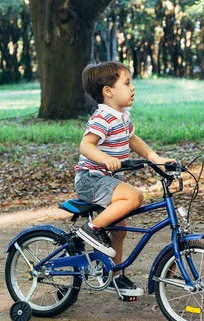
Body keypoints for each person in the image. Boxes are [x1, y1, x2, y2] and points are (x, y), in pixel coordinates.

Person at [75, 61, 173, 296]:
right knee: (134, 196)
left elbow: (133, 140)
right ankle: (91, 229)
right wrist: (103, 158)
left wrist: (156, 159)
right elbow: (86, 145)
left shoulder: (122, 118)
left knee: (120, 229)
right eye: (127, 83)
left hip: (103, 179)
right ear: (108, 91)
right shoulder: (103, 118)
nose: (132, 88)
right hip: (90, 179)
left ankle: (114, 276)